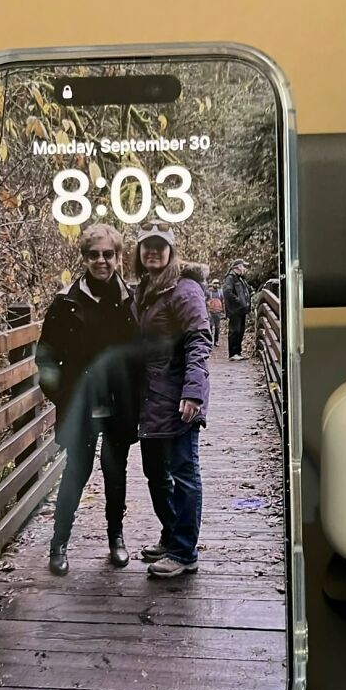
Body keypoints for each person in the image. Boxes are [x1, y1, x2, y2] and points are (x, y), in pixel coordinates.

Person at [36, 223, 140, 576]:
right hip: (80, 405)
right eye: (94, 254)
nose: (101, 261)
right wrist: (61, 395)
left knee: (115, 473)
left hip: (116, 403)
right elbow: (45, 355)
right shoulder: (65, 302)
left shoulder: (129, 300)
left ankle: (116, 538)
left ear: (118, 257)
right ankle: (59, 544)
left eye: (108, 254)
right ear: (84, 257)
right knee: (76, 473)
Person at [131, 220, 212, 578]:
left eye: (159, 245)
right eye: (146, 245)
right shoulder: (145, 289)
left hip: (179, 397)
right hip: (150, 399)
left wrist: (193, 392)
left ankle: (184, 552)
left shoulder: (185, 289)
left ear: (171, 251)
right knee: (155, 474)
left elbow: (199, 341)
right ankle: (171, 535)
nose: (152, 251)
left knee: (182, 473)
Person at [222, 259, 252, 360]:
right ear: (238, 267)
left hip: (241, 310)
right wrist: (238, 301)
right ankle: (233, 354)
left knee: (240, 331)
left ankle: (238, 353)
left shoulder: (240, 279)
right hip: (235, 310)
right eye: (243, 266)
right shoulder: (230, 278)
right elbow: (227, 292)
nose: (244, 269)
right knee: (234, 331)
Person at [206, 277, 224, 347]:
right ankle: (209, 341)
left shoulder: (220, 292)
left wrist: (224, 311)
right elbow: (205, 301)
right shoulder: (208, 292)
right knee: (210, 327)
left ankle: (216, 341)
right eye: (215, 283)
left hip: (218, 312)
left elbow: (223, 301)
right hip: (210, 312)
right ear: (212, 284)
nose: (216, 285)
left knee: (217, 327)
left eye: (217, 283)